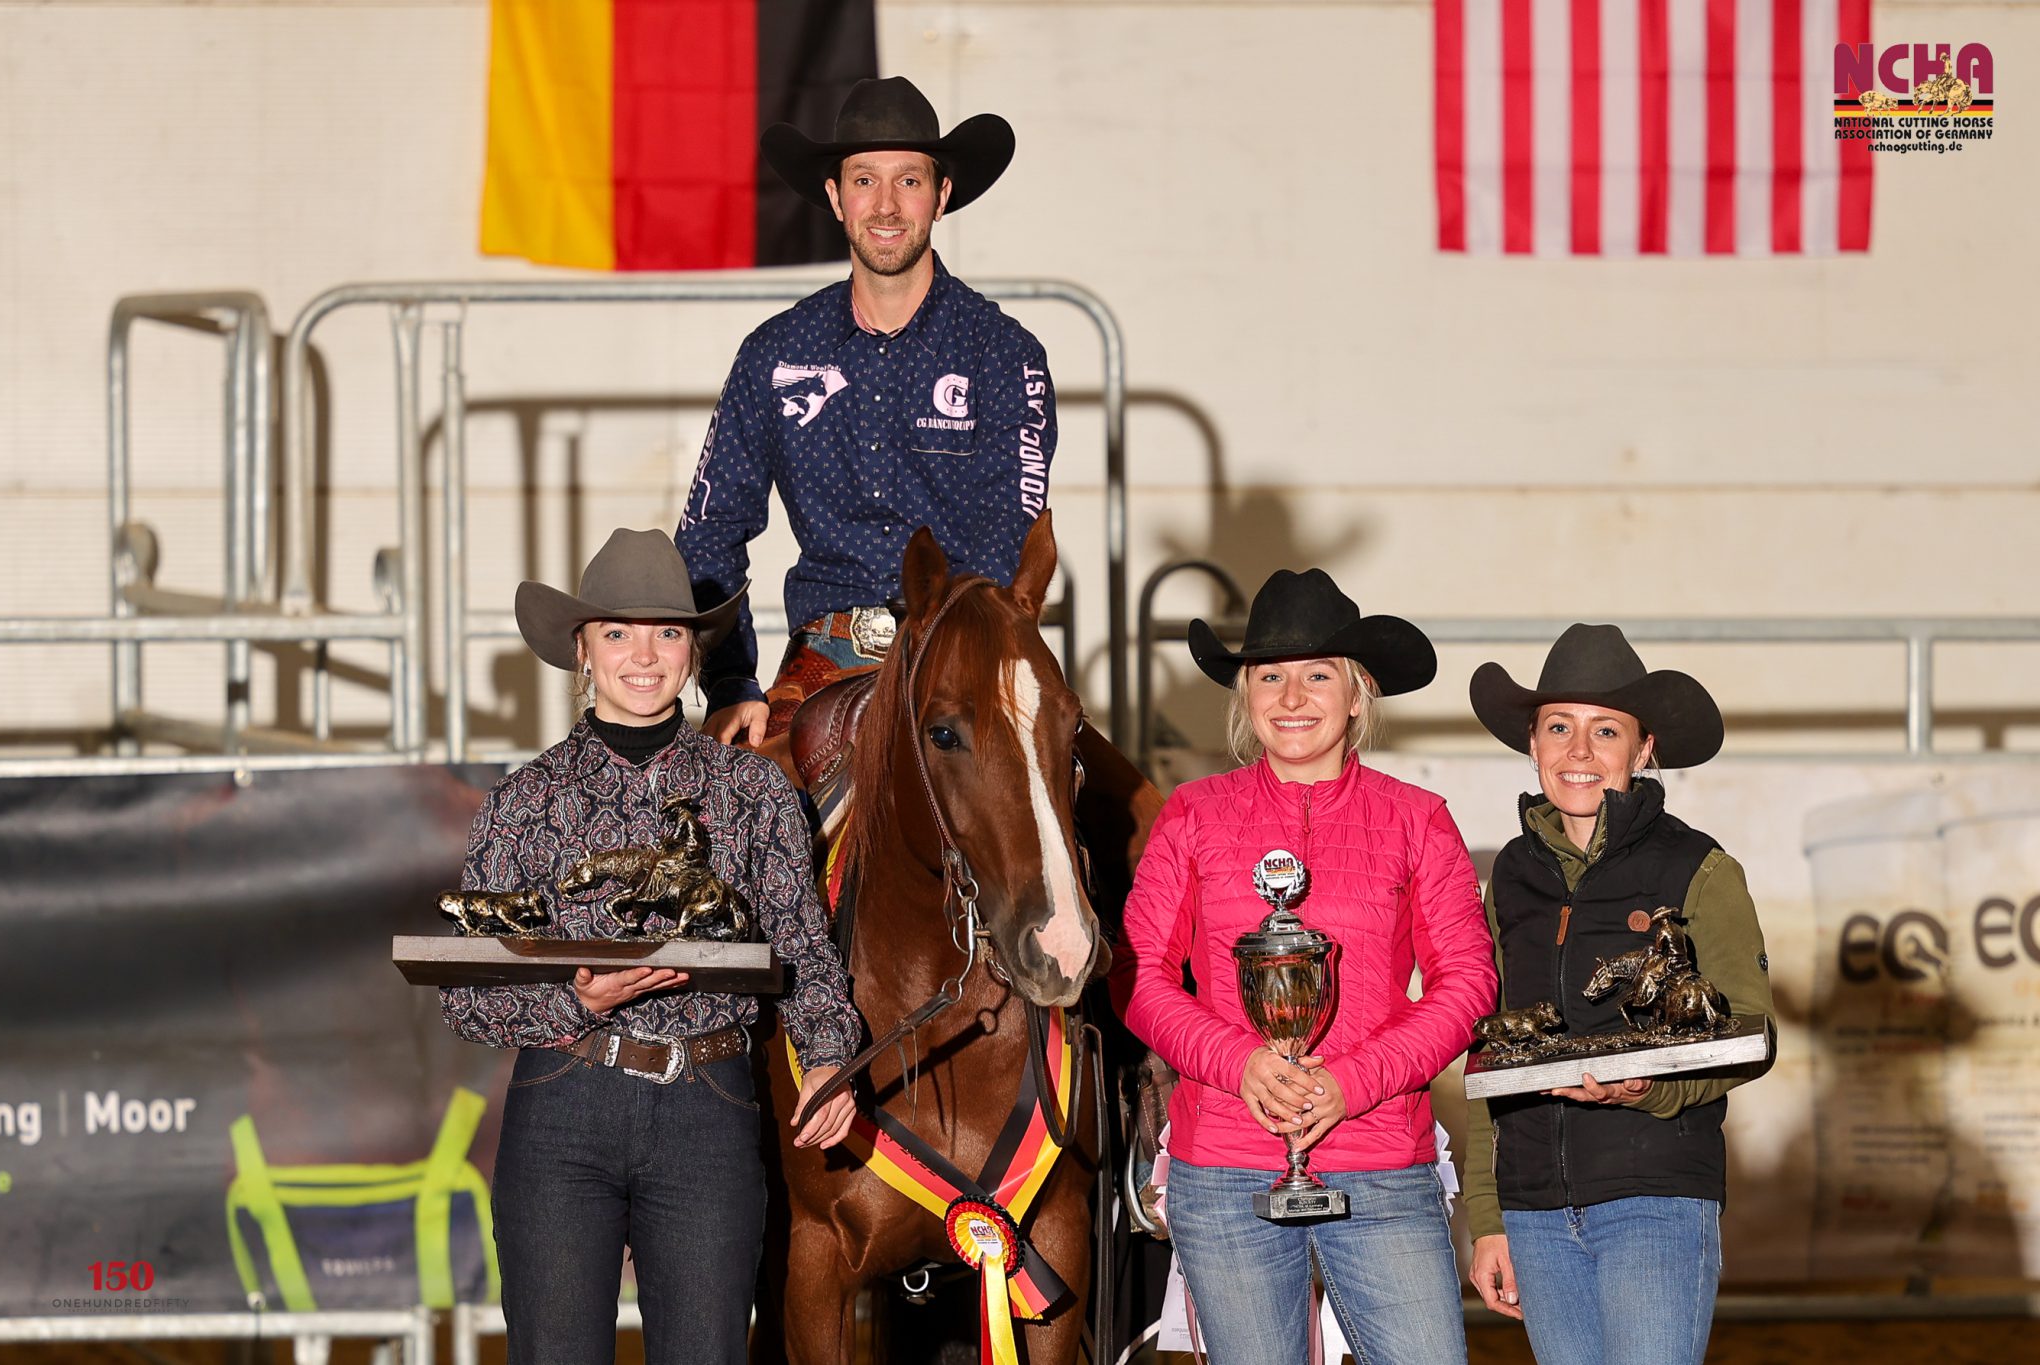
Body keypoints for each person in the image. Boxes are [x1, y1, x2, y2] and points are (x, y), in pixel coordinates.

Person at [438, 528, 859, 1365]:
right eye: (619, 632)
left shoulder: (754, 793)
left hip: (708, 1106)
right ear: (581, 651)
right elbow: (464, 991)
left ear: (694, 654)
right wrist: (571, 1002)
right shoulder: (526, 800)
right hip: (566, 1101)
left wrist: (827, 1057)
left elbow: (807, 957)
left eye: (668, 632)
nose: (644, 654)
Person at [1112, 569, 1496, 1364]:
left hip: (1381, 1157)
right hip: (1225, 1162)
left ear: (1357, 694)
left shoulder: (1416, 819)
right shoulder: (1192, 814)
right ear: (1245, 693)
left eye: (1318, 674)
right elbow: (1138, 973)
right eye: (1270, 675)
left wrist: (1353, 1081)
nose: (1292, 696)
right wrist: (1239, 1062)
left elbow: (1468, 982)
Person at [676, 76, 1054, 745]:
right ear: (835, 197)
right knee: (740, 823)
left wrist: (954, 647)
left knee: (1066, 809)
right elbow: (710, 530)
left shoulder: (1004, 353)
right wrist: (732, 682)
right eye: (864, 181)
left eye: (908, 181)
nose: (886, 204)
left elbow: (1009, 528)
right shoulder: (774, 352)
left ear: (941, 196)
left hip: (963, 646)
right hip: (824, 657)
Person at [1461, 623, 1777, 1364]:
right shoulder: (1508, 877)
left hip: (1655, 1198)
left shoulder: (1700, 868)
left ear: (1641, 749)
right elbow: (1492, 1052)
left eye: (1605, 730)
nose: (1578, 751)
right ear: (1533, 745)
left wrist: (1652, 1089)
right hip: (1534, 1209)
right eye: (1558, 727)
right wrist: (1488, 1214)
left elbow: (1752, 1031)